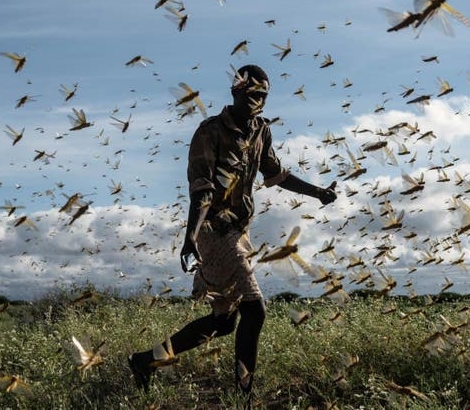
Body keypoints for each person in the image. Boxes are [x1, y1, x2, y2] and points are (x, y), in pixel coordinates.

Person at [129, 64, 337, 404]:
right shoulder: (208, 132)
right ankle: (244, 397)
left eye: (264, 96)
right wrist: (190, 237)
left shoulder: (260, 131)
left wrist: (318, 193)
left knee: (224, 323)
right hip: (212, 230)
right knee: (256, 310)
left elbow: (276, 173)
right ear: (236, 92)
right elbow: (202, 191)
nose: (258, 101)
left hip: (239, 231)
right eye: (253, 94)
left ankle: (143, 361)